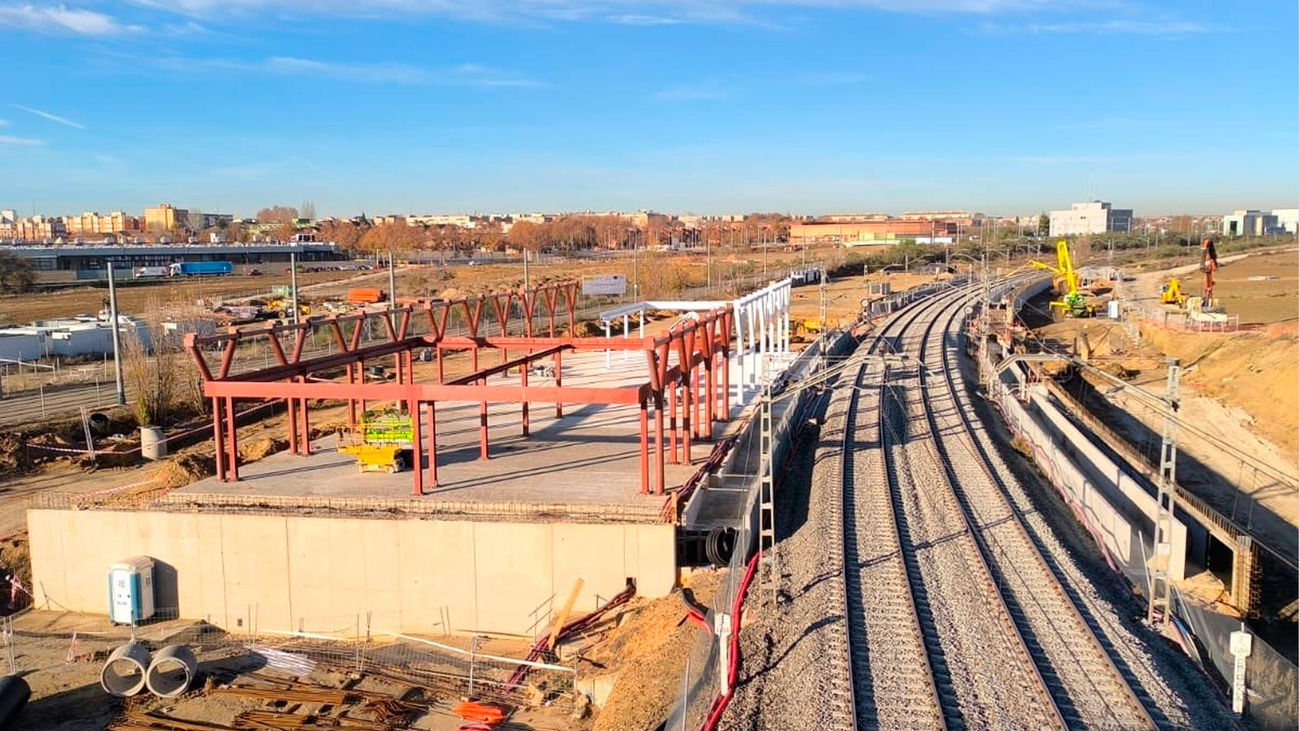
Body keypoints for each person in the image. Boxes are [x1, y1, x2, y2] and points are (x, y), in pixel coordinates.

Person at [1200, 238, 1219, 305]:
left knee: (1208, 284)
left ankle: (1208, 298)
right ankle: (1207, 296)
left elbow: (1203, 259)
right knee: (1207, 283)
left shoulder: (1206, 253)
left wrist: (1203, 265)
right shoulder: (1207, 253)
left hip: (1208, 267)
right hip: (1208, 266)